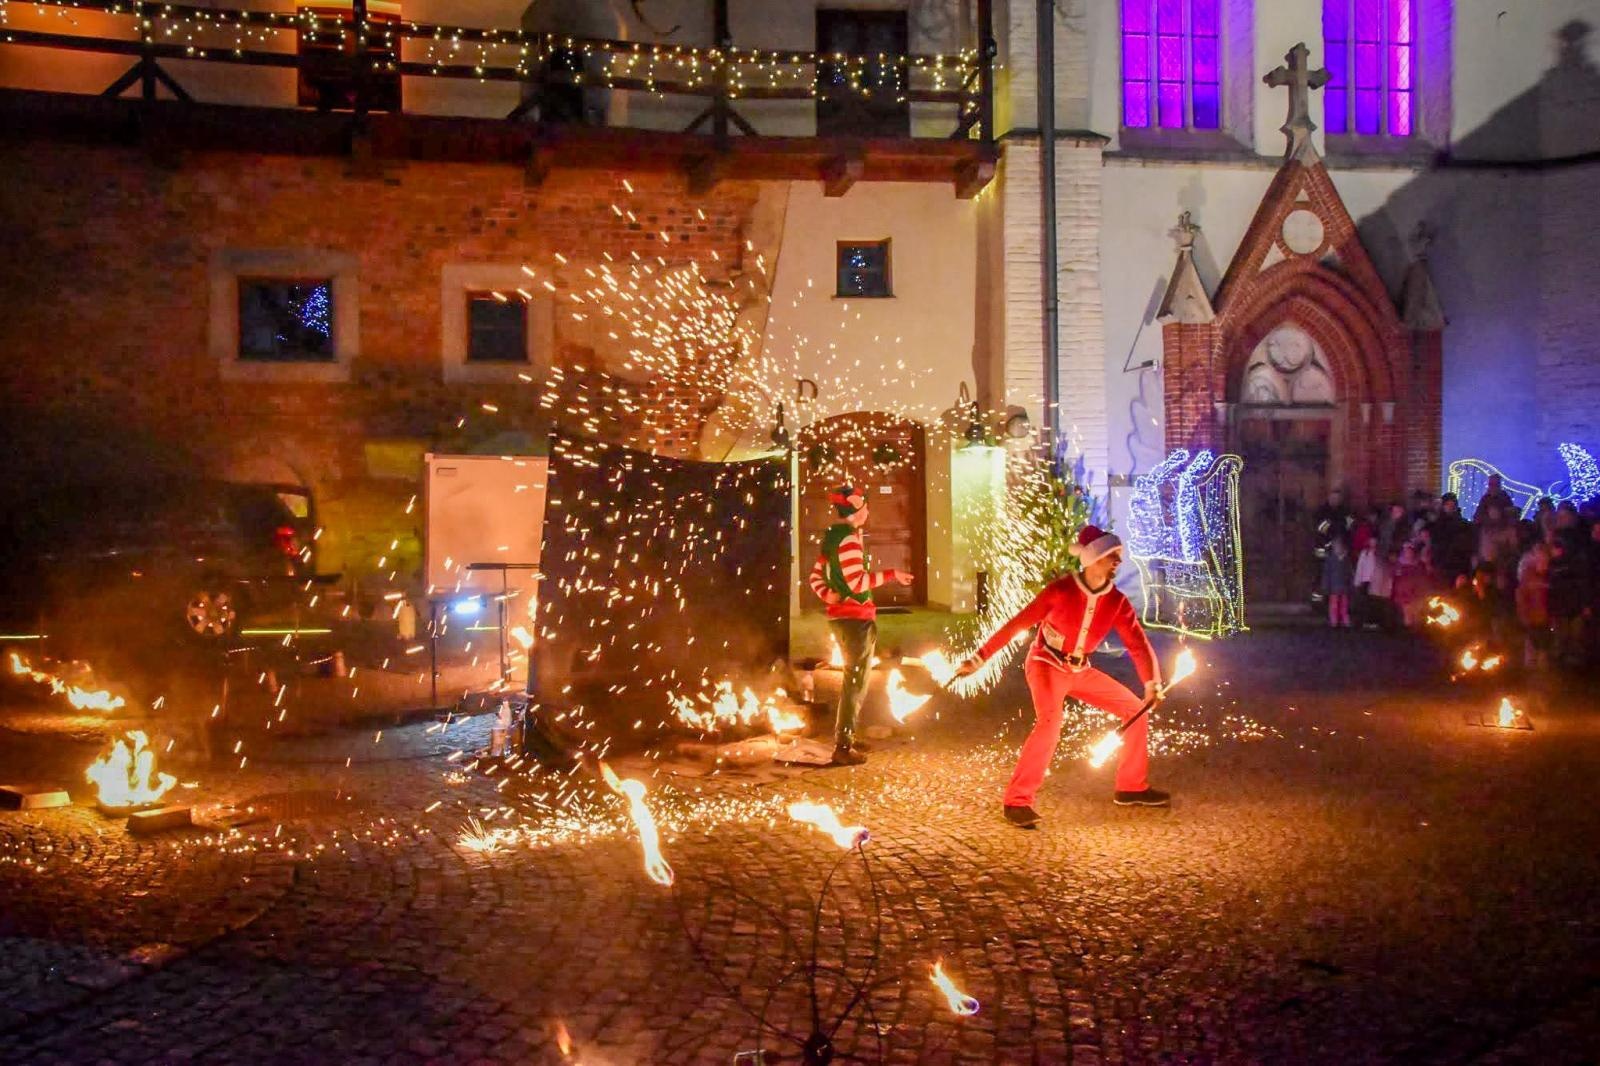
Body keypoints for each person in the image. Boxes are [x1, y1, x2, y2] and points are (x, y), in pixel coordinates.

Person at [953, 524, 1166, 827]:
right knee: (1051, 722)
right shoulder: (1060, 590)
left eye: (1119, 555)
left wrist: (1152, 684)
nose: (1118, 561)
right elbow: (1018, 623)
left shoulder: (1117, 601)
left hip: (1080, 670)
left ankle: (1131, 787)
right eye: (1111, 555)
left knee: (1135, 709)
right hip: (1045, 664)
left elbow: (1138, 644)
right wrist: (980, 657)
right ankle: (1017, 801)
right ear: (1093, 558)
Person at [807, 485, 913, 766]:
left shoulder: (832, 537)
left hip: (838, 617)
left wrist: (827, 595)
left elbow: (815, 577)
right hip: (855, 619)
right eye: (865, 506)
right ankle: (843, 745)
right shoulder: (849, 540)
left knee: (853, 680)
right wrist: (891, 575)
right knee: (855, 683)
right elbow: (858, 583)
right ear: (855, 510)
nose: (868, 511)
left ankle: (847, 736)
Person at [1429, 493, 1475, 588]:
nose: (1450, 507)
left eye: (1452, 504)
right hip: (1442, 565)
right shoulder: (1437, 525)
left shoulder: (1464, 525)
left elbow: (1468, 545)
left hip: (1459, 565)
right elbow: (1434, 545)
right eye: (1447, 504)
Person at [1322, 536, 1354, 628]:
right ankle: (1334, 621)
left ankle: (1344, 620)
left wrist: (1351, 584)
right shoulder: (1330, 559)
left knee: (1344, 605)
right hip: (1334, 586)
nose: (1337, 548)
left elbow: (1350, 573)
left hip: (1343, 586)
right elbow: (1326, 573)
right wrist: (1325, 586)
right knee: (1334, 605)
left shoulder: (1346, 559)